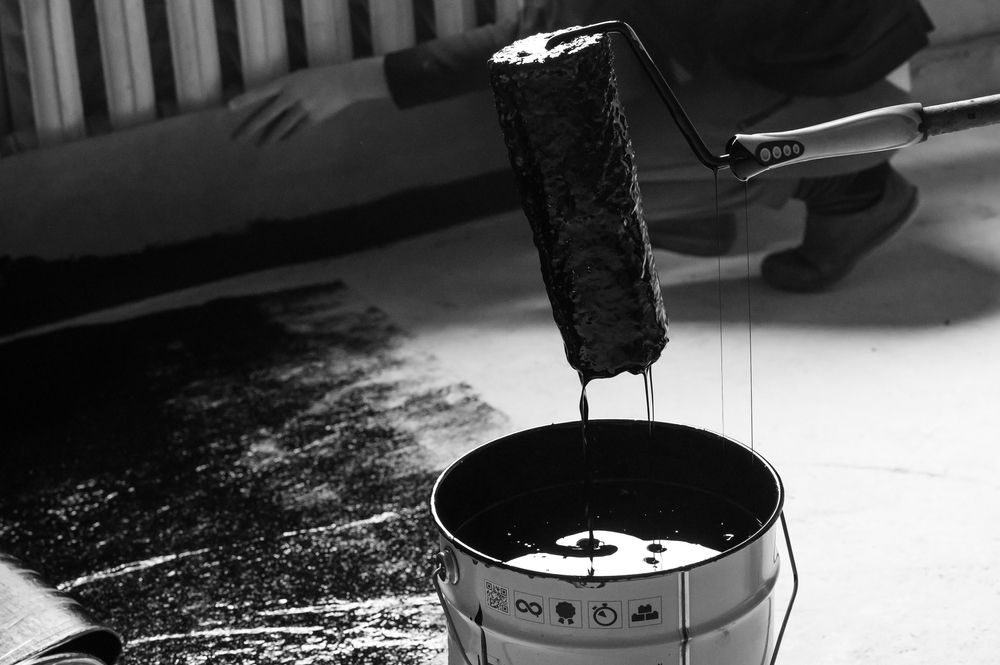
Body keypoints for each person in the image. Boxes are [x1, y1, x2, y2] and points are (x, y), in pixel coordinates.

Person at [229, 0, 934, 292]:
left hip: (859, 92)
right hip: (819, 59)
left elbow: (544, 40)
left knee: (577, 185)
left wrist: (352, 81)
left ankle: (850, 188)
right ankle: (739, 195)